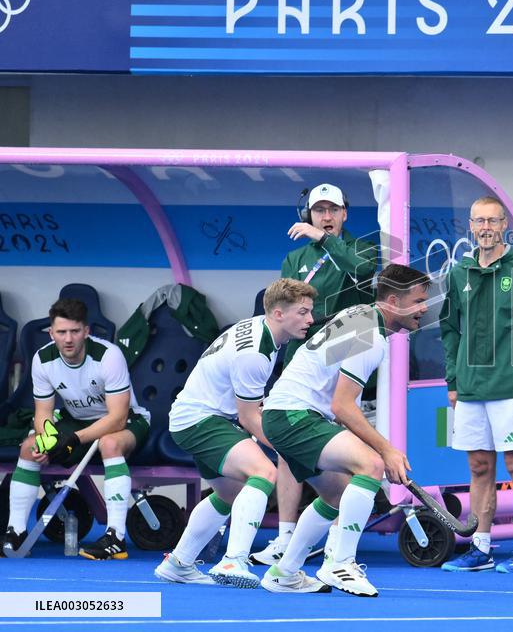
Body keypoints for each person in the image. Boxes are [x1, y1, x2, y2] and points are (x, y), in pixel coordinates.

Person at [259, 263, 430, 596]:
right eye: (419, 300)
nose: (424, 308)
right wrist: (388, 450)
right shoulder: (370, 336)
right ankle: (340, 562)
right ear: (394, 301)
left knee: (336, 495)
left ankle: (285, 572)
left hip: (286, 414)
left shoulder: (359, 314)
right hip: (294, 415)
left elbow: (335, 405)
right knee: (371, 465)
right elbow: (343, 406)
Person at [153, 279, 316, 588]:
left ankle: (178, 563)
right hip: (202, 420)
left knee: (230, 494)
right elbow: (249, 418)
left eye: (310, 312)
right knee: (265, 473)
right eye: (303, 312)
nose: (310, 320)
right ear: (278, 313)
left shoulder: (259, 326)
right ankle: (233, 560)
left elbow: (253, 406)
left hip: (197, 416)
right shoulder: (255, 353)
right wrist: (288, 446)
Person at [253, 182, 379, 566]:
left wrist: (324, 241)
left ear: (344, 214)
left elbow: (363, 272)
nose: (325, 217)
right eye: (318, 210)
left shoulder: (360, 248)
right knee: (290, 451)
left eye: (333, 210)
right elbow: (286, 308)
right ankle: (287, 537)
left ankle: (340, 544)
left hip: (344, 357)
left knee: (353, 453)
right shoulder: (295, 257)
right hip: (302, 361)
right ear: (308, 213)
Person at [438, 196, 513, 574]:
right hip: (471, 388)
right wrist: (453, 380)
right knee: (477, 467)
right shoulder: (458, 273)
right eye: (479, 221)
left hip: (512, 385)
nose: (486, 228)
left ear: (504, 224)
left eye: (493, 221)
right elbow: (449, 330)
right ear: (471, 227)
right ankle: (480, 547)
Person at [1, 299, 151, 560]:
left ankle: (115, 537)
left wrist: (72, 439)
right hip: (75, 421)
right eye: (61, 332)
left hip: (127, 421)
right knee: (29, 447)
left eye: (74, 331)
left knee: (109, 444)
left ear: (86, 331)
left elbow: (117, 418)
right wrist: (48, 440)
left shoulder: (108, 355)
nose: (68, 339)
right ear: (52, 333)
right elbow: (43, 414)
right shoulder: (42, 359)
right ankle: (17, 532)